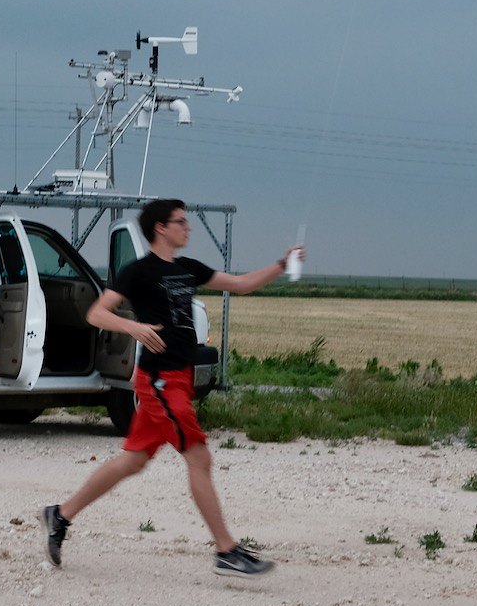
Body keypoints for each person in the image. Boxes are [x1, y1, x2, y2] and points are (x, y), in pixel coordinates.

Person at [41, 199, 299, 578]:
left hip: (180, 377)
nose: (188, 228)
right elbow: (96, 313)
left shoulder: (188, 269)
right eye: (181, 222)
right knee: (199, 458)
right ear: (161, 228)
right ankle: (227, 551)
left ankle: (60, 515)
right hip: (159, 381)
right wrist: (135, 328)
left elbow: (241, 284)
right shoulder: (139, 272)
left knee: (133, 460)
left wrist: (282, 264)